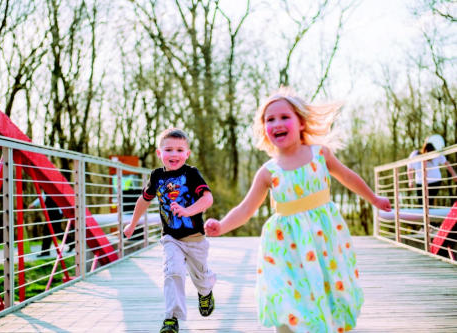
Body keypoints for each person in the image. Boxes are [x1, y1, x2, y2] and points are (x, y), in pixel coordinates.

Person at [204, 87, 391, 333]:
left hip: (323, 239)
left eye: (284, 117)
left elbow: (347, 176)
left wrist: (374, 199)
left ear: (301, 123)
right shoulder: (268, 172)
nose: (277, 123)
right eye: (270, 119)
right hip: (285, 245)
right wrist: (223, 226)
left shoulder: (319, 154)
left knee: (328, 287)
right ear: (264, 130)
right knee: (287, 294)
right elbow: (246, 208)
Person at [124, 128, 216, 333]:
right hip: (171, 238)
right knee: (172, 272)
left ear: (187, 153)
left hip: (195, 238)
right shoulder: (156, 176)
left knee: (201, 277)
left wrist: (187, 210)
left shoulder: (191, 174)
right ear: (159, 153)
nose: (174, 154)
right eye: (168, 150)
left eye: (179, 150)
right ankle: (171, 318)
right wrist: (132, 225)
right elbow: (143, 200)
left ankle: (205, 292)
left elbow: (207, 199)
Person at [407, 138, 457, 206]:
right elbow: (409, 168)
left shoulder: (436, 154)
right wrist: (410, 180)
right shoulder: (415, 154)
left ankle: (429, 213)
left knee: (428, 202)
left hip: (434, 182)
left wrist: (454, 174)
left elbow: (446, 163)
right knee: (421, 203)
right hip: (420, 183)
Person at [28, 192, 74, 257]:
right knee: (56, 231)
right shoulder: (47, 190)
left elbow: (43, 197)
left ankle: (45, 252)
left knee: (48, 231)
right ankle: (71, 242)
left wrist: (34, 204)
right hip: (54, 212)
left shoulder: (51, 189)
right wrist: (34, 204)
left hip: (55, 212)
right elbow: (42, 197)